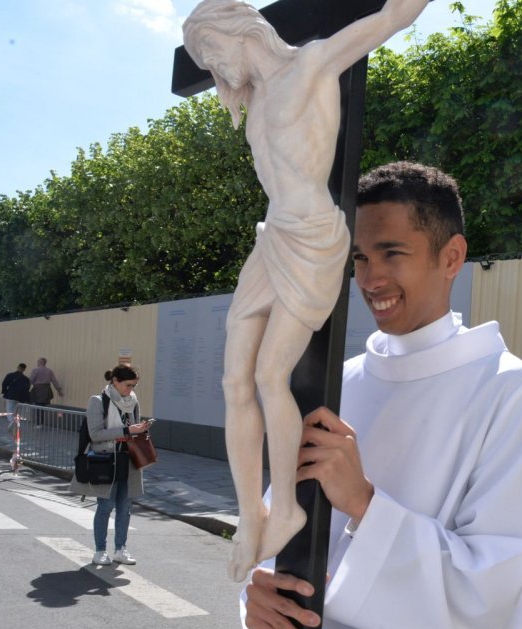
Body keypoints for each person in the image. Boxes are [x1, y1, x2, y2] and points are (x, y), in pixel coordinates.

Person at [240, 162, 522, 629]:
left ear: (451, 256)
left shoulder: (509, 391)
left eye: (392, 253)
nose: (370, 278)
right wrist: (257, 594)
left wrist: (363, 501)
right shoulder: (338, 383)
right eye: (359, 257)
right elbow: (276, 524)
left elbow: (490, 584)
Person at [183, 0, 430, 580]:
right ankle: (252, 513)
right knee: (232, 378)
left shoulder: (314, 63)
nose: (214, 65)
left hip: (313, 237)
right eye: (203, 60)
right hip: (271, 239)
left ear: (239, 31)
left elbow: (392, 16)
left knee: (271, 376)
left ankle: (287, 508)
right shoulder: (256, 97)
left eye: (212, 50)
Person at [69, 366, 152, 566]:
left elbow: (133, 427)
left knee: (125, 507)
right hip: (106, 459)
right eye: (127, 385)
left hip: (129, 459)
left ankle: (120, 549)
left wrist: (141, 430)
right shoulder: (97, 401)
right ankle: (100, 550)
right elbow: (95, 434)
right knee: (105, 506)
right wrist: (126, 429)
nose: (130, 389)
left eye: (134, 386)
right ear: (115, 380)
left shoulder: (132, 400)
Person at [28, 357, 64, 424]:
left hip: (37, 389)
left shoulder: (35, 370)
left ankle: (37, 422)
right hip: (46, 389)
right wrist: (59, 390)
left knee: (36, 405)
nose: (37, 363)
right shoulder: (49, 371)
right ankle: (41, 422)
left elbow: (30, 380)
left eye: (38, 362)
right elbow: (54, 381)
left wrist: (26, 389)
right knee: (43, 407)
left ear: (40, 362)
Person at [1, 363, 31, 431]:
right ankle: (16, 423)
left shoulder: (10, 375)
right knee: (17, 411)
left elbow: (4, 384)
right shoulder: (26, 379)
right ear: (24, 369)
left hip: (11, 395)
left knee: (9, 410)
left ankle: (12, 423)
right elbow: (27, 388)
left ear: (17, 367)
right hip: (21, 398)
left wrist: (5, 392)